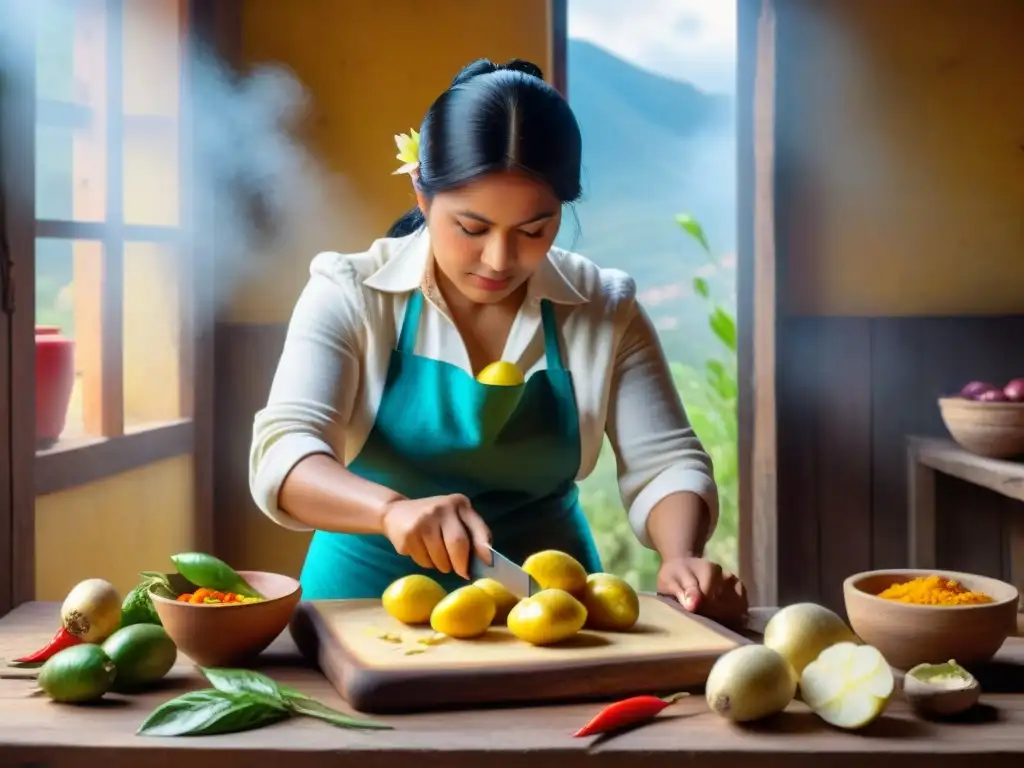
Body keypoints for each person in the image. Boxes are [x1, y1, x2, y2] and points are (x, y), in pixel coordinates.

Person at [249, 57, 747, 624]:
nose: (500, 259)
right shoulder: (352, 292)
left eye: (534, 230)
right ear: (421, 193)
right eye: (472, 228)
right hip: (359, 612)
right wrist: (388, 510)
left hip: (548, 617)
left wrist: (681, 555)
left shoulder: (603, 307)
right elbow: (284, 453)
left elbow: (665, 461)